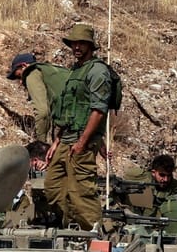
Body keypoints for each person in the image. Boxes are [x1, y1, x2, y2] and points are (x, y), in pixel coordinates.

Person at [44, 22, 120, 229]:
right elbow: (69, 110)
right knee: (53, 188)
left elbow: (98, 111)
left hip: (82, 142)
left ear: (90, 46)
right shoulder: (76, 70)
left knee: (81, 194)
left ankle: (95, 236)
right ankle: (73, 227)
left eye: (81, 43)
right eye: (74, 43)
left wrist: (83, 142)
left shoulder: (97, 72)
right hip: (66, 139)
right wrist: (56, 142)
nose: (76, 47)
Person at [7, 51, 65, 144]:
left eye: (19, 76)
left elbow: (42, 112)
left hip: (69, 124)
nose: (21, 82)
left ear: (24, 65)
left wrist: (40, 143)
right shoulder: (51, 70)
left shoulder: (32, 74)